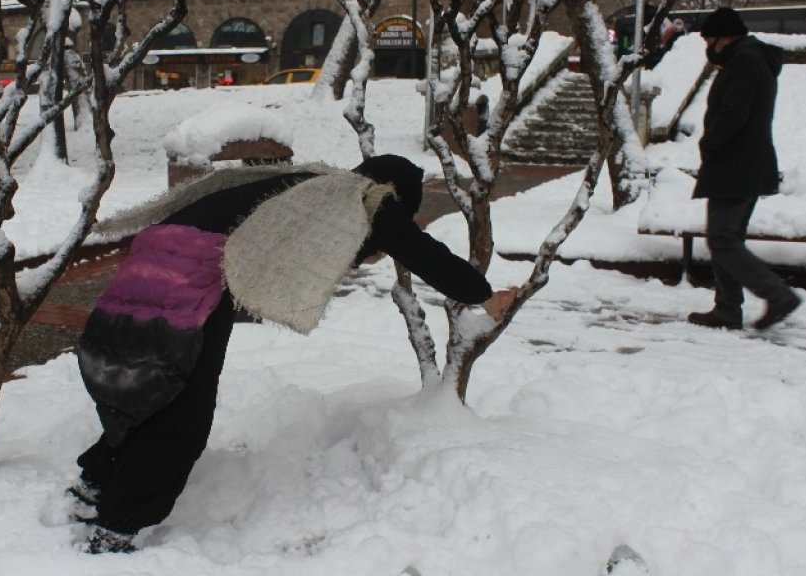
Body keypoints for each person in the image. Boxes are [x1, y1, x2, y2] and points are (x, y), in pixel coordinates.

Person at [70, 155, 517, 553]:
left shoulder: (310, 184)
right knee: (182, 414)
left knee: (151, 382)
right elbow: (424, 253)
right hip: (194, 276)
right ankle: (118, 527)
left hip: (152, 258)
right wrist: (483, 295)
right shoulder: (366, 196)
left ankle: (97, 479)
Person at [688, 7, 800, 331]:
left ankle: (777, 296)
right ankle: (727, 309)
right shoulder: (750, 58)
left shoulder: (745, 61)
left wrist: (710, 143)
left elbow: (733, 113)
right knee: (726, 238)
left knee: (723, 239)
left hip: (736, 163)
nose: (709, 47)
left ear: (725, 37)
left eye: (710, 40)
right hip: (742, 162)